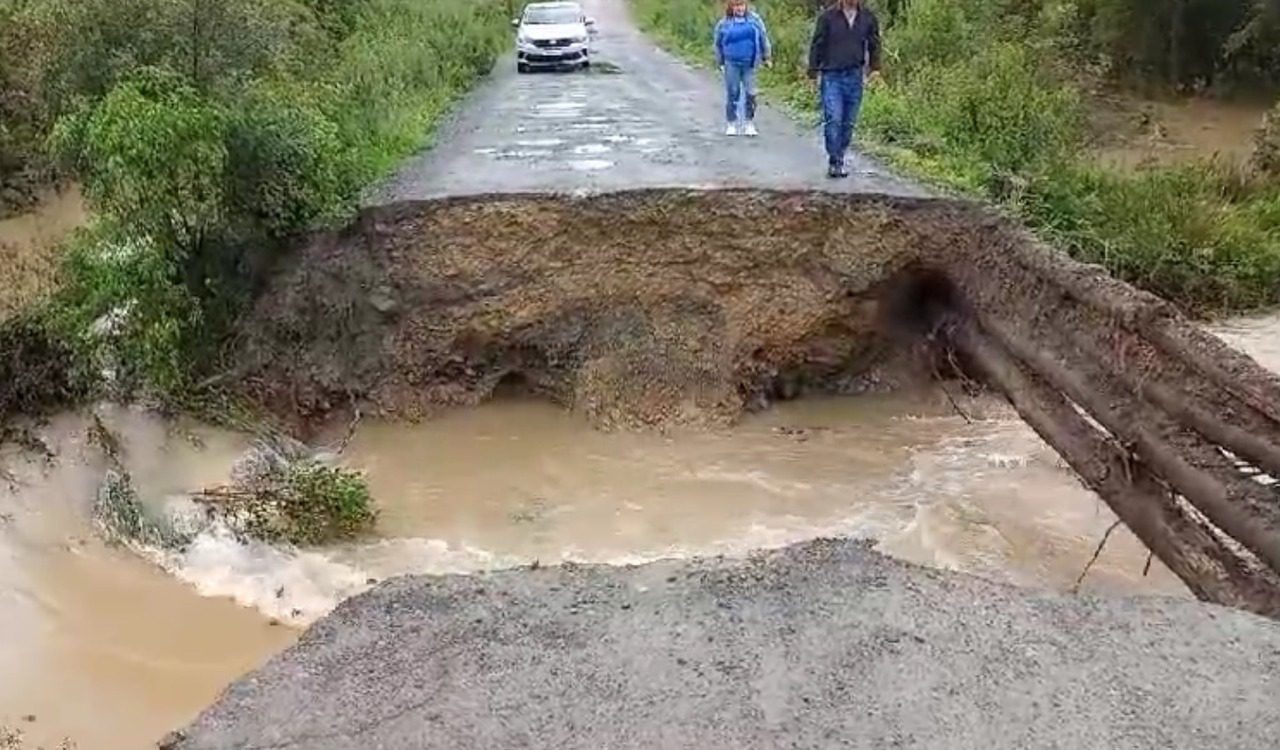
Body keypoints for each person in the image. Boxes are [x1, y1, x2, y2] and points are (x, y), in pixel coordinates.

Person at [807, 0, 882, 177]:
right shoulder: (827, 17)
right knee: (833, 117)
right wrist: (812, 72)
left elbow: (874, 43)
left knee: (848, 122)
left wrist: (875, 69)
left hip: (854, 75)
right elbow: (817, 44)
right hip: (831, 74)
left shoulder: (868, 17)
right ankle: (835, 160)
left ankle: (840, 155)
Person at [714, 0, 772, 137]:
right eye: (736, 6)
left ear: (746, 6)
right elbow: (717, 44)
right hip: (731, 63)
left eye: (741, 5)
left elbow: (764, 38)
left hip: (750, 63)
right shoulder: (724, 23)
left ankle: (749, 123)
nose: (739, 8)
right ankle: (731, 122)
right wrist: (720, 61)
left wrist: (767, 56)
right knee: (733, 92)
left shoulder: (754, 20)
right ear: (731, 7)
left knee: (751, 94)